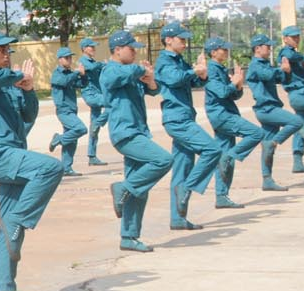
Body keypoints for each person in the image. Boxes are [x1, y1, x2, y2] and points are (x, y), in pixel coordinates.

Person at [0, 31, 62, 291]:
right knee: (51, 168)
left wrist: (28, 89)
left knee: (8, 230)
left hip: (13, 151)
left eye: (9, 50)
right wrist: (16, 76)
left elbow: (28, 115)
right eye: (1, 49)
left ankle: (4, 290)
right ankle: (19, 219)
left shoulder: (9, 83)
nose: (7, 54)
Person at [99, 30, 171, 253]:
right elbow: (119, 76)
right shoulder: (110, 70)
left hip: (138, 131)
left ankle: (129, 236)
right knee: (163, 160)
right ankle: (122, 188)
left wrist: (150, 80)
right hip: (126, 133)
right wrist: (141, 70)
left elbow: (154, 90)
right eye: (131, 49)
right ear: (117, 50)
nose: (134, 53)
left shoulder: (129, 72)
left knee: (139, 188)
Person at [152, 22, 226, 232]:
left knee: (182, 167)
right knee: (213, 150)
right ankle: (186, 188)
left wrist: (201, 75)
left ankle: (178, 218)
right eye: (181, 39)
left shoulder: (179, 60)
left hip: (184, 117)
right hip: (177, 119)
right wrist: (194, 70)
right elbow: (175, 79)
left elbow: (192, 82)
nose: (185, 43)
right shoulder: (164, 61)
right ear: (168, 40)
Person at [199, 36, 261, 209]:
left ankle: (221, 196)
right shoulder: (212, 70)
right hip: (222, 115)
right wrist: (234, 84)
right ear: (213, 52)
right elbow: (221, 92)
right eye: (223, 49)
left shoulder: (220, 68)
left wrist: (238, 85)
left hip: (226, 112)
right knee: (256, 133)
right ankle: (229, 156)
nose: (226, 51)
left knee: (225, 157)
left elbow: (233, 95)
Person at [245, 33, 304, 186]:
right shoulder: (255, 65)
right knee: (297, 122)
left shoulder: (266, 63)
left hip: (271, 108)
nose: (270, 49)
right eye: (267, 47)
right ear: (257, 48)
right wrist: (281, 69)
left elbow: (280, 78)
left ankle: (267, 179)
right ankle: (274, 141)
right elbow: (267, 75)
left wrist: (286, 72)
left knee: (268, 148)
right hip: (266, 109)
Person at [47, 47, 87, 176]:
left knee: (72, 140)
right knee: (80, 129)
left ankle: (66, 168)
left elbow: (81, 85)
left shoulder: (70, 73)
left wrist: (83, 75)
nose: (69, 60)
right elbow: (64, 82)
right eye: (66, 58)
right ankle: (58, 139)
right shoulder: (57, 74)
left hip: (72, 109)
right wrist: (76, 73)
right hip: (63, 110)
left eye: (70, 57)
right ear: (60, 59)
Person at [79, 37, 111, 166]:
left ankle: (92, 156)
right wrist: (103, 64)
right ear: (84, 49)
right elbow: (92, 68)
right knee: (112, 103)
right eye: (91, 47)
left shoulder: (93, 61)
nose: (93, 49)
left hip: (97, 93)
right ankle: (98, 123)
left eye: (94, 47)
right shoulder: (83, 61)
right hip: (91, 95)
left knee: (94, 128)